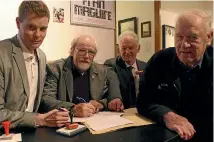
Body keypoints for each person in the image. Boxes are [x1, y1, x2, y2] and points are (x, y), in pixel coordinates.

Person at [137, 9, 213, 141]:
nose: (184, 44)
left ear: (209, 37)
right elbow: (143, 101)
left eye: (193, 37)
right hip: (168, 136)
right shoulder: (159, 60)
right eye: (179, 37)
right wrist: (166, 115)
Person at [0, 1, 70, 128]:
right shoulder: (2, 53)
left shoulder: (42, 56)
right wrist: (39, 119)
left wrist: (63, 112)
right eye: (31, 27)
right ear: (18, 23)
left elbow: (37, 101)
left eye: (43, 29)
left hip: (32, 132)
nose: (38, 35)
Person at [42, 35, 124, 117]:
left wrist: (101, 103)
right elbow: (46, 100)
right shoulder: (55, 69)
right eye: (82, 50)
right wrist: (73, 109)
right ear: (71, 51)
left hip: (93, 121)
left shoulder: (101, 71)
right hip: (66, 123)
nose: (86, 56)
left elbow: (110, 98)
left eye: (91, 52)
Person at [105, 31, 146, 109]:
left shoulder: (145, 66)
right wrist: (115, 98)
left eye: (130, 48)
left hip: (143, 111)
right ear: (118, 48)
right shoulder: (111, 64)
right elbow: (113, 83)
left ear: (138, 48)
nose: (127, 52)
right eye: (123, 48)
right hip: (122, 111)